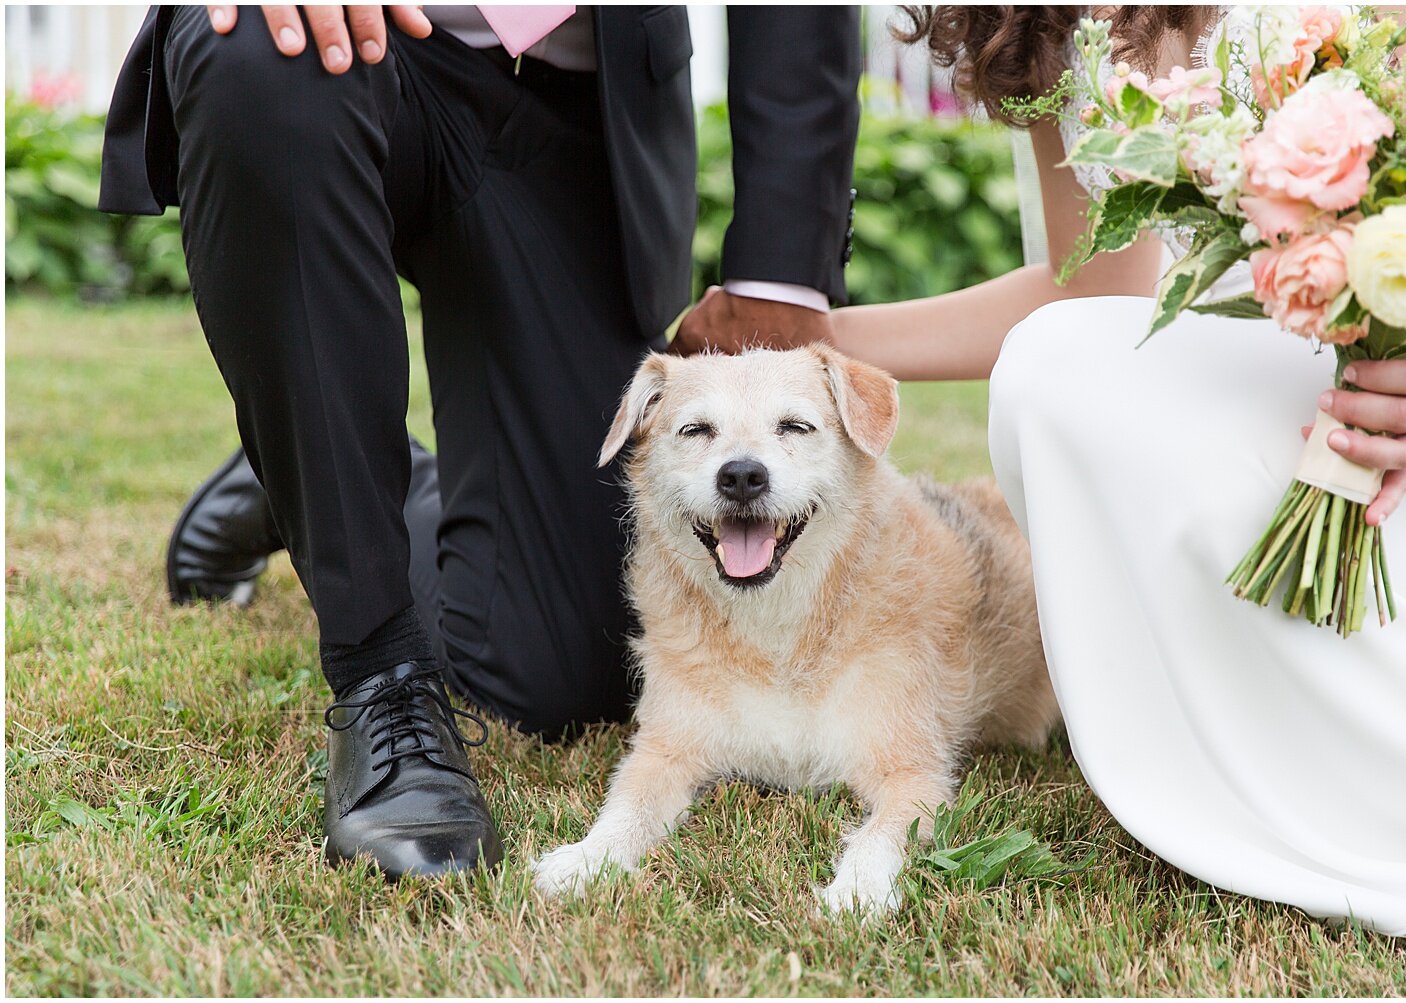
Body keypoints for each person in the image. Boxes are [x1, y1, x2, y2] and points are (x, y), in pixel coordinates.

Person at [698, 5, 1406, 934]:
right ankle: (1246, 744)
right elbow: (1093, 287)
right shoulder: (1033, 16)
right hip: (1211, 397)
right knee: (1052, 372)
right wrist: (813, 344)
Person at [99, 4, 861, 878]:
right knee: (258, 53)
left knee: (565, 672)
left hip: (575, 98)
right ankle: (379, 669)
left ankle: (308, 471)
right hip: (327, 43)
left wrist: (780, 267)